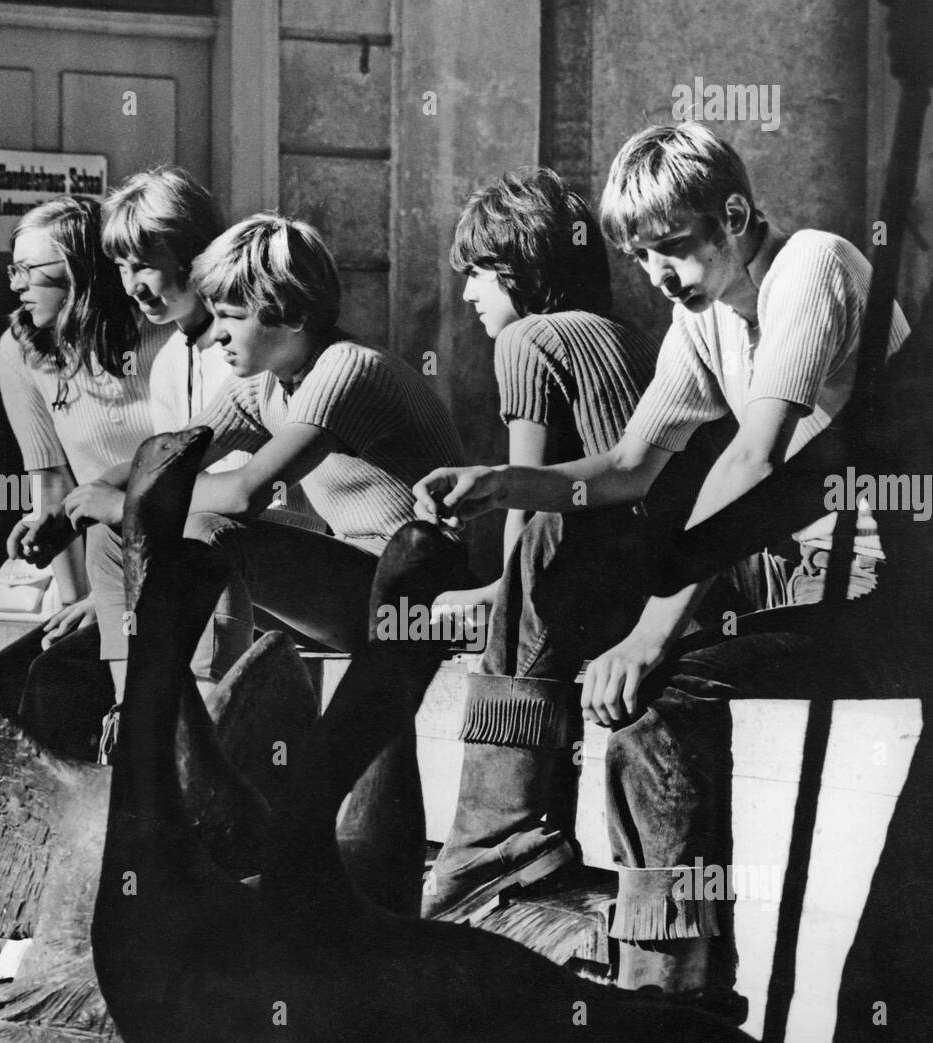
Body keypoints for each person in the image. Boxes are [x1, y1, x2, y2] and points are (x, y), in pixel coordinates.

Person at [415, 123, 911, 996]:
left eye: (674, 246)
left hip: (902, 593)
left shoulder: (813, 266)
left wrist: (650, 631)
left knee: (663, 682)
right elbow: (628, 466)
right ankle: (526, 874)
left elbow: (753, 460)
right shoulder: (708, 313)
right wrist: (501, 483)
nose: (660, 275)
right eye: (641, 258)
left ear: (733, 213)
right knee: (614, 630)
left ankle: (675, 990)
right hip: (816, 586)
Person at [74, 212, 469, 723]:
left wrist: (131, 500)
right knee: (111, 531)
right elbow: (162, 460)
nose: (216, 336)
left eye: (232, 317)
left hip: (414, 598)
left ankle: (214, 723)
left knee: (209, 534)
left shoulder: (347, 369)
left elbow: (246, 494)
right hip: (348, 584)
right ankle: (135, 715)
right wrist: (82, 501)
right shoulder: (262, 381)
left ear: (292, 314)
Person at [429, 167, 657, 645]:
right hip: (672, 585)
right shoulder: (630, 335)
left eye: (476, 273)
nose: (469, 293)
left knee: (428, 611)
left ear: (523, 268)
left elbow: (525, 498)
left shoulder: (526, 337)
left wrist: (502, 604)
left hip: (612, 594)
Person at [0, 197, 165, 759]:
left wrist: (110, 606)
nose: (17, 285)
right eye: (14, 269)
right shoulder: (20, 350)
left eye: (31, 270)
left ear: (83, 272)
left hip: (174, 558)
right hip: (109, 570)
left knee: (59, 683)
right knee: (3, 677)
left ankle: (96, 837)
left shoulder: (160, 336)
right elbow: (54, 484)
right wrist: (80, 601)